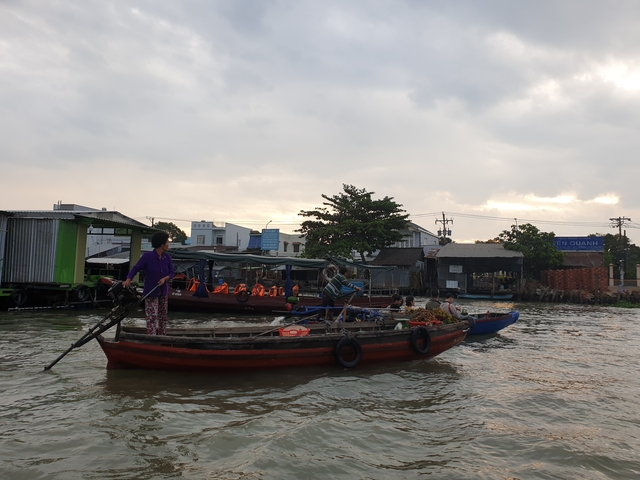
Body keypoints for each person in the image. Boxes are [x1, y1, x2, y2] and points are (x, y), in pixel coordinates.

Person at [123, 231, 175, 335]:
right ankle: (151, 336)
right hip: (151, 293)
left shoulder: (167, 257)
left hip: (163, 292)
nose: (168, 244)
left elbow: (172, 272)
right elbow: (136, 268)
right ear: (161, 244)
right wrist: (128, 279)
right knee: (152, 316)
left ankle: (162, 336)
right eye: (167, 242)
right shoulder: (147, 256)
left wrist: (165, 278)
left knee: (162, 316)